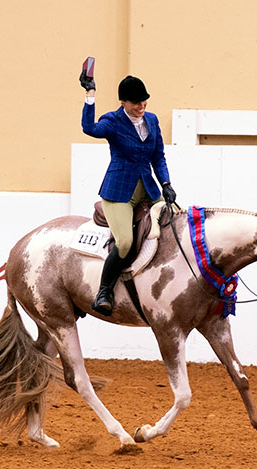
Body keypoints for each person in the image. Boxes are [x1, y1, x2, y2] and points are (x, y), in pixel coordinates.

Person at [79, 70, 177, 316]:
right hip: (119, 192)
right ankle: (104, 290)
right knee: (124, 243)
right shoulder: (112, 121)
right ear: (123, 102)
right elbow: (89, 128)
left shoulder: (152, 120)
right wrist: (90, 93)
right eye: (135, 103)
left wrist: (166, 183)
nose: (141, 106)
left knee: (177, 220)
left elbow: (158, 157)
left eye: (144, 101)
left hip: (148, 187)